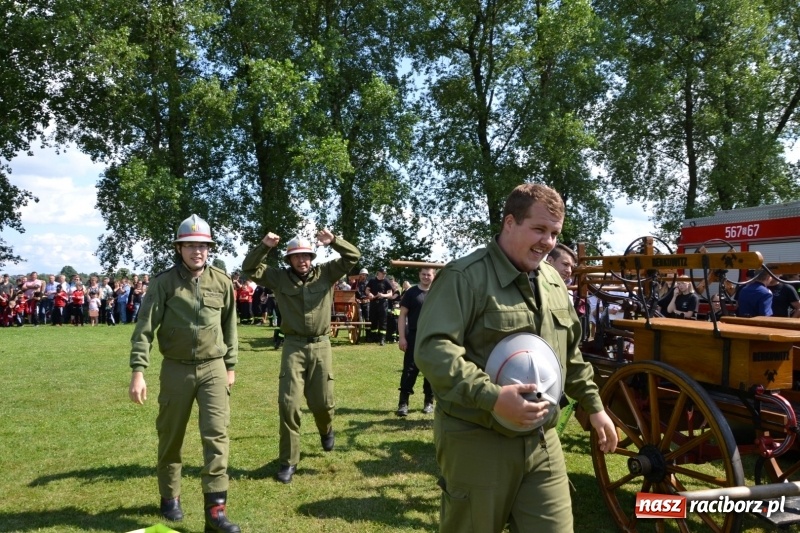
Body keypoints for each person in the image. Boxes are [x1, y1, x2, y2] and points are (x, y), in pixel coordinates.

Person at [414, 183, 617, 533]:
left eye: (554, 233)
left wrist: (594, 406)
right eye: (539, 229)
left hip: (542, 440)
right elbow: (433, 350)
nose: (548, 242)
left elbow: (569, 353)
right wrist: (492, 398)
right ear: (510, 223)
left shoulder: (553, 279)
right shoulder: (465, 276)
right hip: (477, 439)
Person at [128, 214, 240, 533]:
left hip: (214, 368)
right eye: (190, 245)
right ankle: (170, 496)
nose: (197, 251)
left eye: (202, 246)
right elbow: (144, 329)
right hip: (175, 369)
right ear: (179, 248)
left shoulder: (222, 281)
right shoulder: (163, 283)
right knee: (170, 435)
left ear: (209, 249)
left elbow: (230, 326)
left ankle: (215, 512)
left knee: (216, 435)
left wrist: (230, 365)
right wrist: (138, 371)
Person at [241, 229, 361, 484]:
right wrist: (264, 246)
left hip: (321, 346)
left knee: (322, 403)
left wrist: (335, 241)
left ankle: (326, 428)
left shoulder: (326, 273)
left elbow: (353, 257)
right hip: (293, 346)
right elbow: (250, 268)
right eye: (296, 257)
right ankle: (288, 461)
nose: (302, 261)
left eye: (306, 256)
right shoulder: (278, 278)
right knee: (288, 404)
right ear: (289, 260)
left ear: (312, 256)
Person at [395, 267, 436, 417]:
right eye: (423, 274)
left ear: (433, 276)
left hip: (432, 338)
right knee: (409, 370)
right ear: (419, 274)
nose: (426, 277)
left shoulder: (438, 292)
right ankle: (403, 404)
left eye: (429, 274)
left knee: (430, 371)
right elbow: (402, 316)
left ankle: (429, 402)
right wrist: (402, 337)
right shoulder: (411, 293)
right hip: (414, 336)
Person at [366, 267, 393, 345]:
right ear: (378, 273)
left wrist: (383, 295)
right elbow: (367, 290)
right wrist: (369, 294)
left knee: (383, 321)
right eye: (383, 273)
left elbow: (390, 294)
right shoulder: (372, 281)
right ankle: (373, 337)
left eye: (385, 274)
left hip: (383, 303)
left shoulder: (386, 281)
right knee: (373, 320)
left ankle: (382, 338)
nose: (384, 275)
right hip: (373, 303)